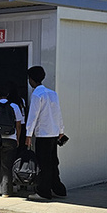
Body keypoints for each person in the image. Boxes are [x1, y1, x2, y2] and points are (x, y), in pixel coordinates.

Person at [25, 66, 67, 201]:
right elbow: (58, 113)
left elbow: (33, 116)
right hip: (54, 133)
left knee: (43, 164)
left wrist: (28, 134)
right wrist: (61, 131)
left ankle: (44, 191)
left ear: (31, 79)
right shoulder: (52, 93)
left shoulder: (37, 94)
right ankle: (58, 189)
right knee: (53, 162)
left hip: (43, 134)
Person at [0, 84, 24, 197]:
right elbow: (19, 125)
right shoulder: (14, 106)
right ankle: (5, 191)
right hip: (10, 138)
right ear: (7, 95)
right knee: (6, 165)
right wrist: (17, 139)